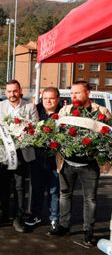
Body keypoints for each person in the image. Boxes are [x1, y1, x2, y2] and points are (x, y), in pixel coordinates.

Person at [50, 81, 112, 246]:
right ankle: (64, 226)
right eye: (71, 93)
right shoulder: (65, 110)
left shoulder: (102, 112)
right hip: (66, 162)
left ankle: (88, 231)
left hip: (90, 165)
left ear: (88, 93)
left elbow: (108, 138)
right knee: (65, 194)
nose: (73, 96)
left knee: (89, 199)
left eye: (77, 93)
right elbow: (56, 131)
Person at [0, 79, 39, 233]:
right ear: (5, 92)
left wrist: (20, 137)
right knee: (3, 184)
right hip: (4, 152)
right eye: (9, 91)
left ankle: (18, 217)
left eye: (15, 91)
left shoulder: (30, 106)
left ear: (20, 91)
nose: (12, 94)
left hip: (22, 153)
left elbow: (35, 128)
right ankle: (3, 213)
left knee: (19, 186)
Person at [27, 87, 61, 233]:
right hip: (38, 158)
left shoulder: (63, 113)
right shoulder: (35, 111)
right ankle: (35, 216)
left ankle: (54, 219)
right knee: (37, 189)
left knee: (54, 191)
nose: (48, 101)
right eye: (45, 98)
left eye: (51, 98)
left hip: (55, 159)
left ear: (57, 99)